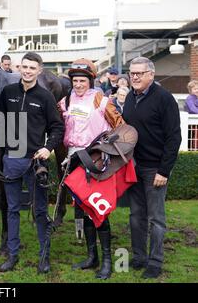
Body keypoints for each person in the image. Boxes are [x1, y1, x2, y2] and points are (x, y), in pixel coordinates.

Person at [0, 52, 65, 274]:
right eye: (24, 67)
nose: (27, 71)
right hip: (11, 160)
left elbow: (57, 128)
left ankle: (44, 256)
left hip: (35, 162)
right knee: (12, 209)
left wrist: (48, 148)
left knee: (39, 211)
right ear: (20, 68)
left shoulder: (46, 97)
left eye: (32, 68)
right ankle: (12, 254)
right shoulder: (8, 93)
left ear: (39, 70)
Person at [58, 58, 124, 279]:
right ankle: (91, 257)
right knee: (83, 209)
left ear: (91, 81)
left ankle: (106, 261)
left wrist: (105, 148)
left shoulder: (101, 101)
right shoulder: (65, 101)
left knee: (99, 209)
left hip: (96, 160)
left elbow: (121, 128)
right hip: (74, 159)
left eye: (82, 81)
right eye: (75, 80)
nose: (78, 85)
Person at [123, 57, 181, 279]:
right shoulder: (130, 97)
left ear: (151, 75)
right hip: (133, 166)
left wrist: (164, 171)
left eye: (139, 73)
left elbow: (174, 137)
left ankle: (155, 263)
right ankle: (139, 258)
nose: (134, 77)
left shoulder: (165, 99)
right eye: (132, 73)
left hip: (154, 169)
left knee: (156, 218)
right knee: (136, 215)